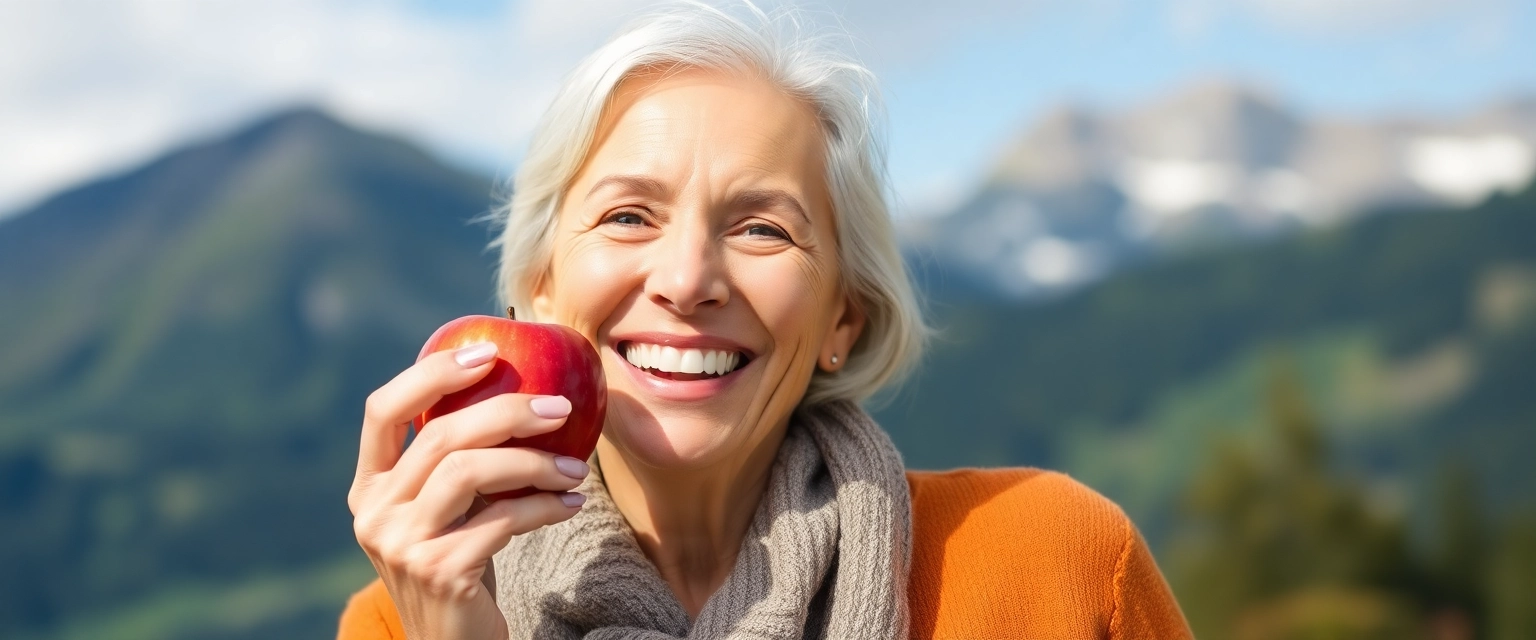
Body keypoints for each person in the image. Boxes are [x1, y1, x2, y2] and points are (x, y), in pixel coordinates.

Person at [338, 3, 1191, 638]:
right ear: (542, 290)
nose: (687, 279)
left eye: (761, 228)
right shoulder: (408, 613)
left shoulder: (1056, 562)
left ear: (842, 320)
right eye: (629, 216)